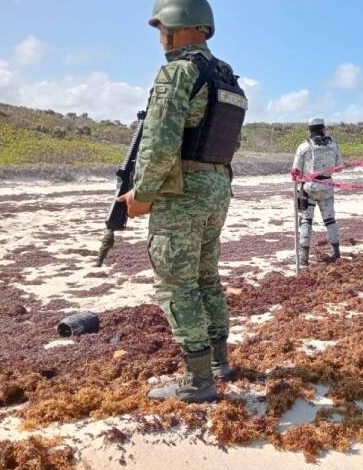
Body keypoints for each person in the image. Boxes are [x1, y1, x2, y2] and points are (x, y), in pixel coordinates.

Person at [116, 0, 247, 403]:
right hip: (217, 187)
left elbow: (159, 145)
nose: (159, 38)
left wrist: (143, 194)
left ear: (176, 26)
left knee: (176, 284)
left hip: (182, 192)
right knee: (206, 277)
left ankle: (199, 380)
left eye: (161, 29)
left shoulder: (178, 72)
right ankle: (220, 362)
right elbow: (231, 142)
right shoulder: (228, 78)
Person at [291, 118, 344, 266]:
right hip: (327, 187)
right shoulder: (333, 145)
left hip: (309, 188)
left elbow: (295, 173)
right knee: (330, 220)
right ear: (323, 129)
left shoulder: (304, 147)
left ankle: (303, 258)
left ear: (310, 130)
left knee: (306, 221)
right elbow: (340, 167)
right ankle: (336, 253)